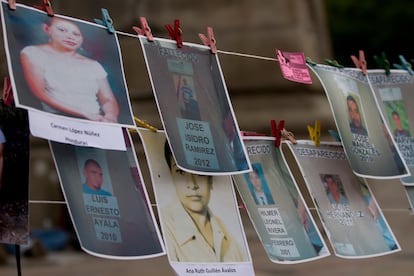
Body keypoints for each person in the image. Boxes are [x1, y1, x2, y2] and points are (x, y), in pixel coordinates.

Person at [20, 17, 119, 123]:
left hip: (96, 120)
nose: (70, 37)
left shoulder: (93, 65)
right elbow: (40, 92)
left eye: (76, 34)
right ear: (47, 29)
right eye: (62, 30)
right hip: (57, 120)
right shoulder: (33, 53)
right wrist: (83, 113)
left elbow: (108, 99)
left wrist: (110, 116)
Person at [161, 142, 246, 262]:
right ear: (171, 176)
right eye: (180, 172)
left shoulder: (228, 235)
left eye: (200, 172)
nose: (192, 184)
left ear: (211, 178)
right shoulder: (165, 230)